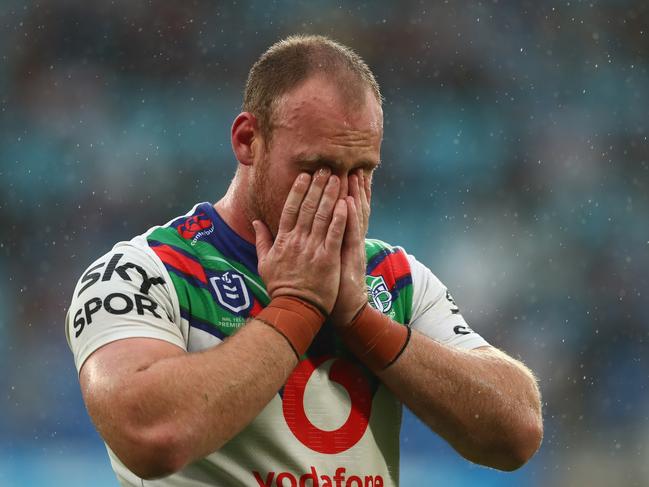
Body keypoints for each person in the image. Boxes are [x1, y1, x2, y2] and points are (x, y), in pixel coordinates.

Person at [66, 35, 542, 487]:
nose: (339, 198)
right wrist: (297, 307)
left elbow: (517, 433)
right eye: (317, 169)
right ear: (248, 140)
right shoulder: (146, 272)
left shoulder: (395, 281)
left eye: (361, 172)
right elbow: (151, 436)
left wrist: (361, 321)